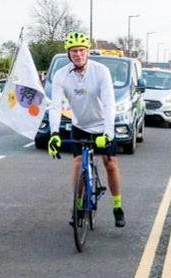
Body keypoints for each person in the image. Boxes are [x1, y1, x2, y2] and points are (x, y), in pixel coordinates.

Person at [46, 32, 125, 227]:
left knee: (110, 163)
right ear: (69, 54)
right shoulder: (61, 75)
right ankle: (78, 206)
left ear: (88, 52)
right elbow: (55, 106)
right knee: (78, 163)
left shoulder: (101, 71)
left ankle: (117, 206)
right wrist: (54, 133)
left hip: (102, 125)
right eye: (74, 51)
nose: (78, 54)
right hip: (80, 125)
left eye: (81, 50)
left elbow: (109, 104)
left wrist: (108, 134)